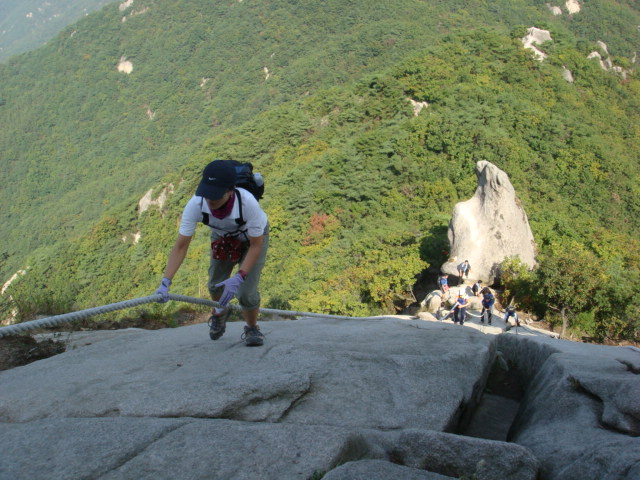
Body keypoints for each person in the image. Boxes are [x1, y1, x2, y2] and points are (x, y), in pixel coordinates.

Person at [155, 160, 269, 346]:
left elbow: (256, 245)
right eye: (207, 195)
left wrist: (240, 276)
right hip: (223, 237)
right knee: (215, 286)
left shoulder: (247, 204)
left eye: (216, 196)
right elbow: (180, 246)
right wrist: (166, 281)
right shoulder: (196, 204)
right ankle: (221, 312)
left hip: (252, 239)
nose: (210, 200)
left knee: (245, 293)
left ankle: (251, 327)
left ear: (230, 191)